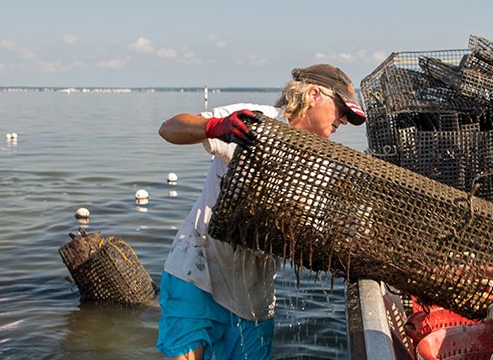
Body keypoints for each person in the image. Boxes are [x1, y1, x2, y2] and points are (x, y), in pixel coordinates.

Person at [155, 63, 366, 360]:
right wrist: (216, 127)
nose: (343, 120)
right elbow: (169, 128)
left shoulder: (321, 165)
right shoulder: (257, 122)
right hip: (197, 266)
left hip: (252, 292)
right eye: (341, 109)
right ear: (315, 95)